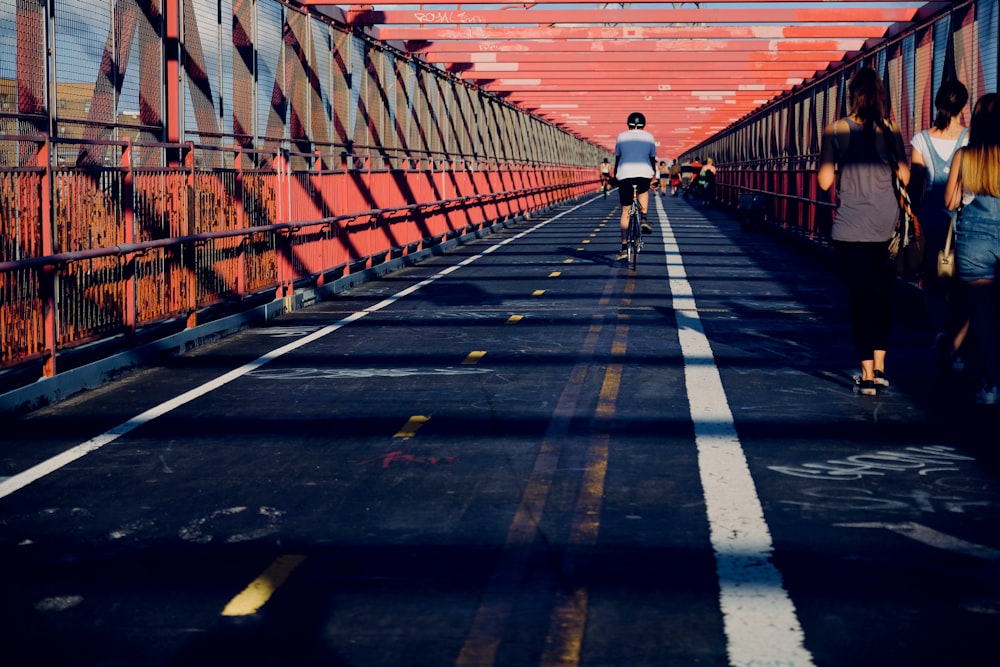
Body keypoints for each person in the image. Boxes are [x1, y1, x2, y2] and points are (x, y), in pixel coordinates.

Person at [818, 66, 909, 396]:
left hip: (850, 228)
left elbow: (825, 181)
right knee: (884, 298)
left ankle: (867, 374)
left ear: (851, 95)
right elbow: (907, 178)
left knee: (860, 300)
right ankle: (882, 368)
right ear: (880, 97)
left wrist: (842, 161)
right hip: (886, 228)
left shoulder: (836, 129)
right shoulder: (891, 129)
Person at [909, 80, 970, 375]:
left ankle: (939, 333)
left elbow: (916, 184)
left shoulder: (921, 140)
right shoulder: (970, 139)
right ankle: (959, 345)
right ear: (964, 106)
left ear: (937, 105)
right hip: (960, 224)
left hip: (930, 220)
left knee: (932, 284)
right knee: (958, 284)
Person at [944, 93, 1000, 405]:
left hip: (974, 242)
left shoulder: (964, 157)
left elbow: (950, 201)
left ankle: (992, 385)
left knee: (983, 316)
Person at [613, 112, 657, 260]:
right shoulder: (649, 137)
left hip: (624, 174)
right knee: (644, 191)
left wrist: (615, 176)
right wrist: (653, 176)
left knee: (625, 211)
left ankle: (624, 248)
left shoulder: (621, 136)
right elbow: (652, 159)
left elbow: (618, 158)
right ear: (643, 124)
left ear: (628, 124)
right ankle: (644, 217)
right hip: (643, 173)